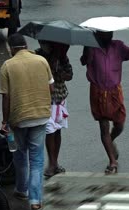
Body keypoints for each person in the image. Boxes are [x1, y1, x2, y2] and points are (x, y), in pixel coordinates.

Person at [0, 33, 54, 210]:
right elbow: (51, 88)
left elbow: (6, 98)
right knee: (37, 160)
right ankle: (35, 200)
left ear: (10, 48)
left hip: (18, 119)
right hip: (40, 116)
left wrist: (5, 121)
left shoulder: (7, 66)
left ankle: (21, 189)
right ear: (26, 45)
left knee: (20, 155)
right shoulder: (41, 61)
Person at [80, 28, 129, 174]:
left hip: (115, 91)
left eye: (110, 33)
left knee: (119, 124)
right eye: (105, 33)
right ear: (98, 35)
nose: (109, 36)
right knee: (104, 126)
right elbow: (84, 60)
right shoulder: (92, 48)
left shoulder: (118, 46)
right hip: (98, 91)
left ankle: (111, 140)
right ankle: (112, 161)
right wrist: (88, 42)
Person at [35, 40, 73, 178]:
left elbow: (69, 75)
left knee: (57, 131)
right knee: (49, 131)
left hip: (60, 98)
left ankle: (55, 162)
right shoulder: (38, 56)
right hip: (46, 100)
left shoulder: (62, 56)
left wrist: (59, 69)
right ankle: (51, 163)